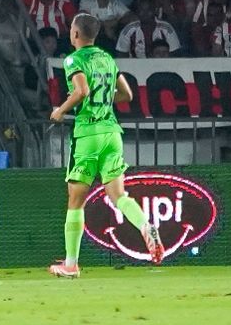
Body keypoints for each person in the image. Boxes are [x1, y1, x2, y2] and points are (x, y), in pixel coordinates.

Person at [48, 14, 164, 278]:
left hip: (88, 134)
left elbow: (81, 92)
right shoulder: (107, 59)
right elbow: (127, 94)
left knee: (75, 202)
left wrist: (60, 111)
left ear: (75, 34)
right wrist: (105, 98)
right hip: (112, 133)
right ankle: (146, 227)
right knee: (119, 196)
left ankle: (71, 264)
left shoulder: (73, 59)